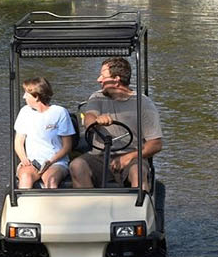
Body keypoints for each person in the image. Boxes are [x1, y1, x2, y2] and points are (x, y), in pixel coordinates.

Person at [70, 56, 163, 189]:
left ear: (116, 79)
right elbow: (89, 118)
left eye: (102, 75)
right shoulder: (97, 97)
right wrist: (97, 120)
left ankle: (139, 207)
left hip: (133, 155)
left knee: (138, 173)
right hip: (100, 156)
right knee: (76, 166)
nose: (99, 79)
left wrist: (127, 157)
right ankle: (90, 206)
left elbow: (156, 144)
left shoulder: (143, 103)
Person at [13, 76, 73, 188]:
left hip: (55, 162)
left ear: (36, 97)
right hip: (32, 162)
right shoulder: (25, 112)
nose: (24, 96)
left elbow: (67, 146)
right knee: (25, 177)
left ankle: (52, 204)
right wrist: (24, 160)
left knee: (51, 180)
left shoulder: (60, 112)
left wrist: (50, 161)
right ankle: (26, 204)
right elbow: (18, 142)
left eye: (26, 93)